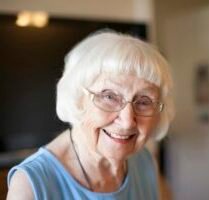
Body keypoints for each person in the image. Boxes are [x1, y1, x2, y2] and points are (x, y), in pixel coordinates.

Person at [7, 30, 175, 200]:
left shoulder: (145, 161)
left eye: (144, 101)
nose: (127, 122)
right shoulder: (30, 185)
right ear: (78, 99)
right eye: (109, 96)